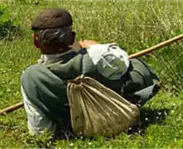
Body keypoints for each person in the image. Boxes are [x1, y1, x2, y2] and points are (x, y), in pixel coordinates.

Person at [20, 8, 161, 136]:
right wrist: (96, 47)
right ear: (73, 37)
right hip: (116, 113)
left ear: (35, 41)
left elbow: (39, 129)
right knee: (135, 64)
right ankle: (131, 103)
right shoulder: (96, 55)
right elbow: (123, 62)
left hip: (75, 128)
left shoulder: (30, 76)